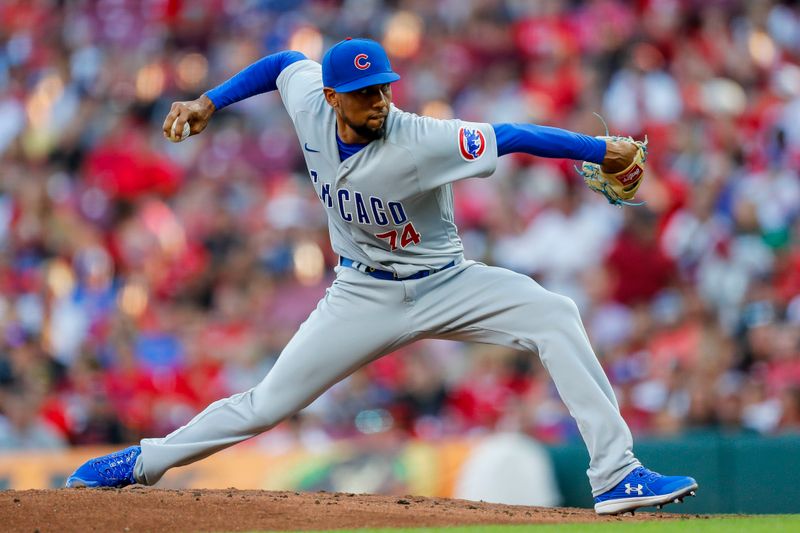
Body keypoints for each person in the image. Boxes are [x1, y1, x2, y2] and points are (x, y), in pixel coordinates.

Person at [66, 38, 697, 515]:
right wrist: (210, 101)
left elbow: (511, 135)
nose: (381, 101)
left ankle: (616, 475)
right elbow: (282, 62)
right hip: (361, 292)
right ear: (335, 97)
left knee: (554, 314)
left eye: (386, 89)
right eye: (367, 94)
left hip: (448, 282)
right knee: (267, 404)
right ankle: (139, 463)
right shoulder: (311, 100)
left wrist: (599, 149)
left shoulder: (421, 138)